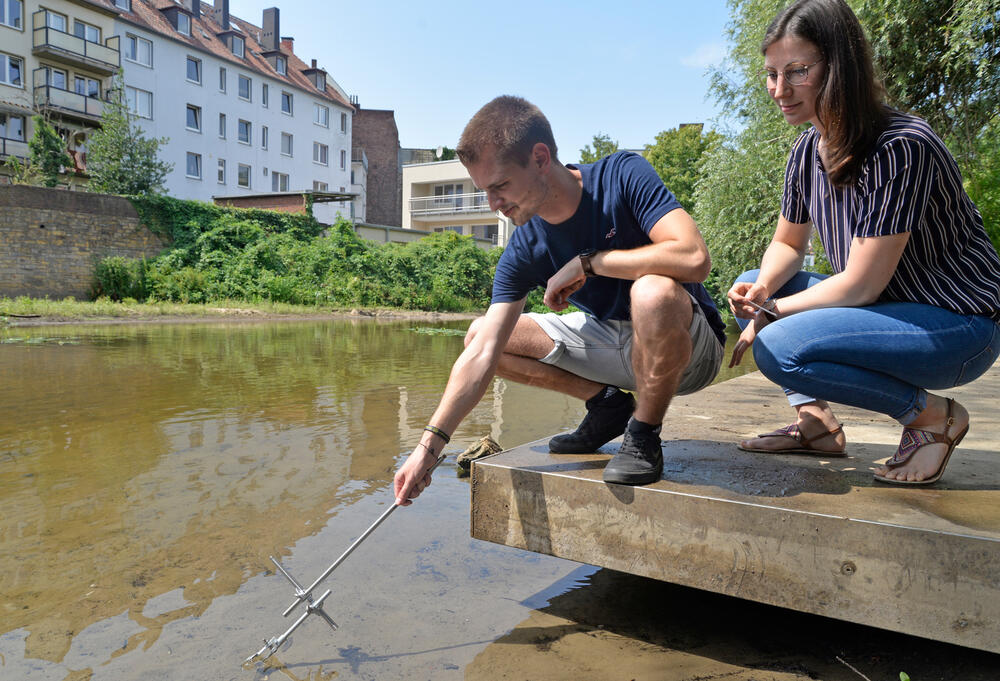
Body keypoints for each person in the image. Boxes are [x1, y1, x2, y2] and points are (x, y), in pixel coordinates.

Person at [394, 95, 726, 503]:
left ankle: (643, 434)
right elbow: (483, 354)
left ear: (539, 157)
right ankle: (605, 405)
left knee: (652, 291)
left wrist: (591, 263)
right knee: (481, 336)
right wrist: (428, 450)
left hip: (691, 352)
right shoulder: (526, 246)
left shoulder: (621, 175)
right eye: (485, 191)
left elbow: (694, 257)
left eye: (500, 186)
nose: (493, 205)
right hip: (614, 348)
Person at [727, 0, 1000, 485]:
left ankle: (933, 418)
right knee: (753, 284)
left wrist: (772, 316)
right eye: (771, 73)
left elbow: (860, 286)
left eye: (797, 71)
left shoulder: (900, 146)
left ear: (839, 68)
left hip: (959, 326)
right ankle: (817, 426)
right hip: (890, 308)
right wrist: (763, 292)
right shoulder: (807, 149)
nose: (779, 90)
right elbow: (788, 245)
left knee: (778, 346)